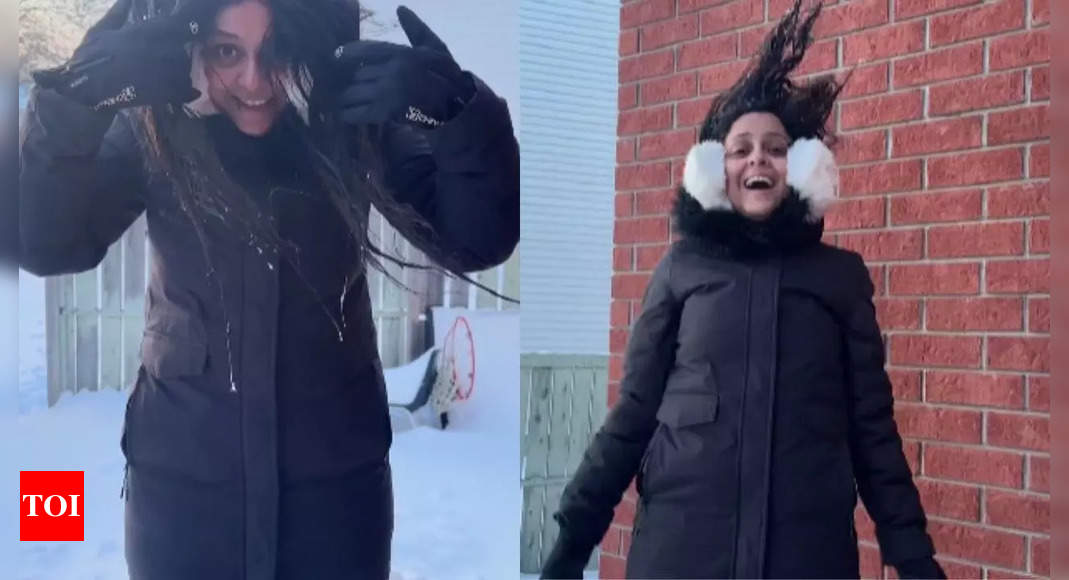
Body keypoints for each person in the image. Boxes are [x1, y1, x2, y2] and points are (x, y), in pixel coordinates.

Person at [18, 0, 519, 577]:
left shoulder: (350, 127)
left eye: (277, 48)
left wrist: (458, 117)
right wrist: (75, 108)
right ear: (193, 45)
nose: (255, 82)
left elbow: (478, 239)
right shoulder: (155, 130)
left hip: (334, 503)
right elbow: (46, 243)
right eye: (227, 50)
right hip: (183, 503)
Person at [540, 2, 945, 579]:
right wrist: (571, 544)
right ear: (717, 172)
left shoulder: (839, 279)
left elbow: (874, 434)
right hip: (681, 555)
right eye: (740, 147)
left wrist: (914, 559)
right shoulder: (681, 270)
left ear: (801, 167)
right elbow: (631, 416)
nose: (758, 156)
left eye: (776, 148)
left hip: (806, 559)